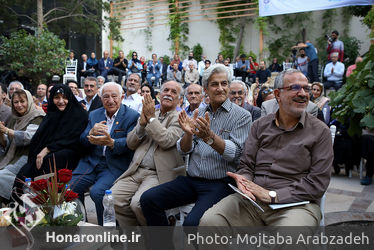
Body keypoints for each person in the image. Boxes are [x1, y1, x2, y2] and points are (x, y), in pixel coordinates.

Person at [200, 69, 333, 226]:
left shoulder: (320, 131)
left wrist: (272, 195)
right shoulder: (259, 126)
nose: (303, 94)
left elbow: (317, 182)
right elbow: (246, 165)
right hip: (252, 201)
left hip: (297, 205)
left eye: (306, 88)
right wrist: (245, 181)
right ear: (277, 95)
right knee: (210, 222)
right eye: (295, 88)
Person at [140, 64, 252, 226]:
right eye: (214, 84)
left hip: (220, 183)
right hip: (191, 180)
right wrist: (188, 133)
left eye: (224, 84)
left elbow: (235, 153)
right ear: (206, 89)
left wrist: (210, 137)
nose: (220, 88)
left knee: (192, 224)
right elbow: (183, 150)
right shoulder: (199, 111)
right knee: (148, 199)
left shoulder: (242, 115)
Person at [111, 81, 184, 227]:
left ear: (180, 100)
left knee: (139, 204)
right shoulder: (150, 112)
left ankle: (152, 238)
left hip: (157, 174)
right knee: (112, 198)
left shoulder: (180, 118)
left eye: (173, 92)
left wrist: (150, 119)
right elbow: (130, 143)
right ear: (159, 95)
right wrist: (142, 125)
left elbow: (167, 140)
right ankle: (135, 236)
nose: (169, 94)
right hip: (136, 170)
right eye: (166, 90)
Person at [70, 82, 139, 225]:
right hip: (91, 162)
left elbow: (130, 143)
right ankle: (80, 223)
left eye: (114, 96)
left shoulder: (132, 116)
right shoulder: (94, 114)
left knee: (98, 193)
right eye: (106, 96)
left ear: (122, 97)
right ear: (101, 98)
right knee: (70, 188)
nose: (110, 100)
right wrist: (90, 133)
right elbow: (82, 140)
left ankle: (107, 231)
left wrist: (111, 142)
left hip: (113, 164)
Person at [15, 84, 88, 191]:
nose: (61, 101)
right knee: (23, 175)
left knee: (49, 162)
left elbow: (73, 138)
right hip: (47, 154)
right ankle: (19, 206)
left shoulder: (79, 114)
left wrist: (48, 149)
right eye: (57, 97)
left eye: (65, 97)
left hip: (69, 153)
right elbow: (39, 139)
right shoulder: (51, 115)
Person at [0, 89, 45, 200]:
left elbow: (28, 137)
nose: (19, 105)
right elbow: (7, 143)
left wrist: (6, 130)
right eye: (16, 102)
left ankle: (13, 199)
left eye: (22, 101)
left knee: (2, 176)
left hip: (27, 157)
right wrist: (1, 133)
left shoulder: (38, 116)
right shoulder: (15, 118)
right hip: (12, 155)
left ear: (29, 101)